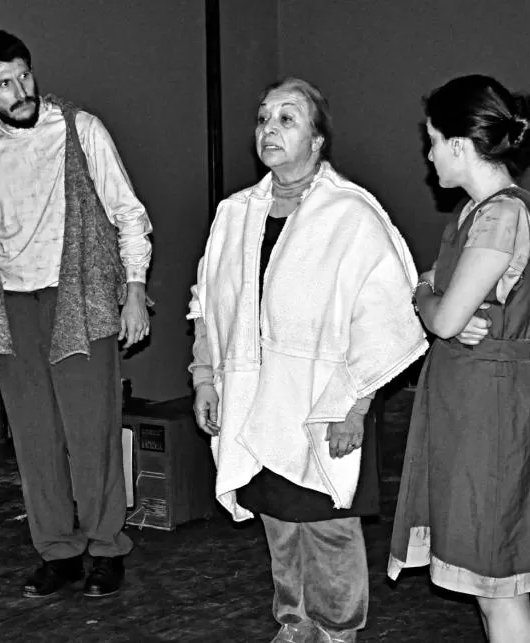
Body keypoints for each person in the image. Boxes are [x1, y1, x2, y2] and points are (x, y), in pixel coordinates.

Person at [188, 77, 428, 643]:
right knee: (278, 521)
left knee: (326, 525)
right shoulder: (235, 214)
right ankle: (295, 623)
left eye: (287, 119)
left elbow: (386, 317)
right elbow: (208, 305)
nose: (269, 129)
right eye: (262, 118)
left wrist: (354, 406)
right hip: (255, 397)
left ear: (317, 140)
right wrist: (205, 378)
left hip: (326, 400)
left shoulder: (351, 214)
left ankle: (337, 629)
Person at [0, 30, 152, 599]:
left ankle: (106, 548)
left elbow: (129, 215)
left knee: (92, 433)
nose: (21, 90)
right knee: (35, 439)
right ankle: (58, 551)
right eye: (4, 83)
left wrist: (135, 291)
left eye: (24, 75)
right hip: (11, 308)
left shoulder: (81, 130)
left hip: (80, 297)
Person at [388, 75, 530, 642]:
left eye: (432, 142)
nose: (429, 156)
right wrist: (434, 296)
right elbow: (444, 299)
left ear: (458, 144)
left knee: (497, 585)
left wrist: (424, 296)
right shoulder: (477, 213)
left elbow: (444, 317)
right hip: (468, 398)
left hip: (489, 406)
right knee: (484, 581)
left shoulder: (502, 214)